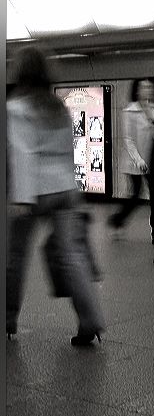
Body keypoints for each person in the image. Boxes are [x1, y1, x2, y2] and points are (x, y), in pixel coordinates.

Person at [6, 45, 106, 346]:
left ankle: (7, 318)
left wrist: (21, 197)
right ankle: (91, 319)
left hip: (35, 190)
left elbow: (23, 152)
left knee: (14, 256)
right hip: (65, 189)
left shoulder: (16, 107)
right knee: (73, 255)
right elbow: (68, 150)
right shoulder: (57, 106)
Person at [107, 79, 154, 243]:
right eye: (145, 87)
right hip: (136, 160)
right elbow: (128, 139)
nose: (149, 90)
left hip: (153, 157)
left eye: (150, 87)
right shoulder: (129, 111)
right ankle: (117, 221)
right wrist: (138, 160)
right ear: (137, 91)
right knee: (136, 195)